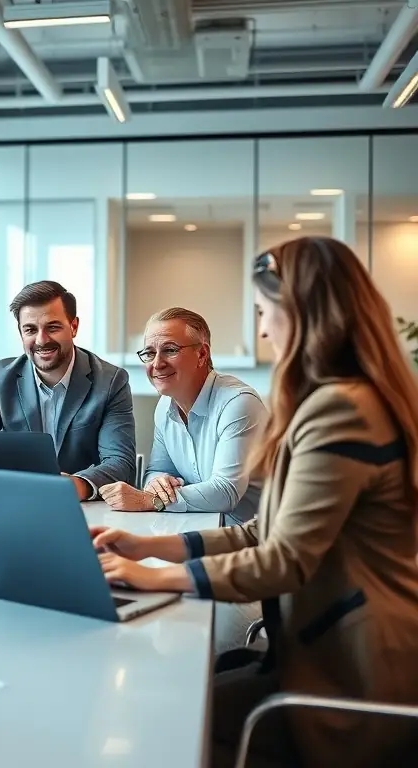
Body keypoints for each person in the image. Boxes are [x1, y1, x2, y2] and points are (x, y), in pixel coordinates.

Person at [92, 236, 418, 768]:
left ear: (307, 314)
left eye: (265, 312)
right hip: (319, 642)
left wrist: (154, 576)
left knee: (173, 720)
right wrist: (148, 547)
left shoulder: (341, 409)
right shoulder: (336, 400)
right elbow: (262, 530)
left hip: (356, 671)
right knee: (187, 694)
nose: (263, 330)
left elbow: (283, 559)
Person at [0, 280, 136, 499]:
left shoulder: (111, 381)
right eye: (30, 330)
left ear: (73, 327)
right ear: (21, 333)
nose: (41, 340)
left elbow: (121, 462)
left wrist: (75, 485)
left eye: (52, 327)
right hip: (17, 500)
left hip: (83, 510)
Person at [99, 307, 267, 522]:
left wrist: (150, 500)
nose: (157, 363)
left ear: (202, 354)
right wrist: (159, 483)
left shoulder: (238, 403)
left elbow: (226, 492)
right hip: (195, 527)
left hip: (247, 539)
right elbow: (157, 470)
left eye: (170, 350)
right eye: (149, 353)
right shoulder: (164, 406)